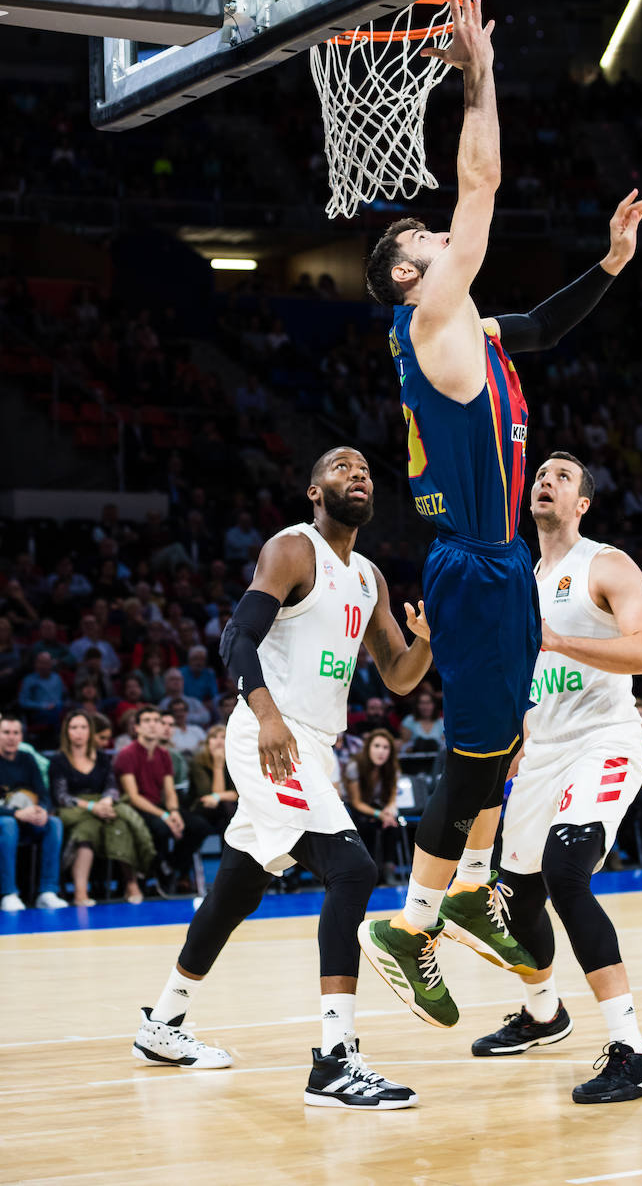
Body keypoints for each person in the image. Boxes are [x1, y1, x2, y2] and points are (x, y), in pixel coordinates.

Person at [360, 0, 642, 1025]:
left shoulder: (473, 333)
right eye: (425, 239)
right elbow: (478, 181)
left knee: (500, 739)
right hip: (479, 562)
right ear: (409, 277)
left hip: (486, 563)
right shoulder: (432, 317)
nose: (445, 235)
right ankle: (409, 920)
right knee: (484, 749)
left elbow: (536, 321)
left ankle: (477, 894)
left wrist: (611, 266)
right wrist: (478, 75)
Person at [133, 447, 431, 1109]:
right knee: (353, 872)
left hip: (313, 747)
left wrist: (427, 642)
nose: (358, 473)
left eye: (365, 469)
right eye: (341, 466)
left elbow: (400, 677)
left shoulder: (369, 578)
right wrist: (265, 715)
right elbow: (237, 638)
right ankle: (334, 1060)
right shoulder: (292, 550)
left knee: (238, 886)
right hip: (271, 735)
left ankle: (163, 1023)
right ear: (313, 491)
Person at [464, 453, 642, 1103]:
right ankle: (545, 1013)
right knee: (518, 893)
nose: (545, 481)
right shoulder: (520, 579)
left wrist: (557, 640)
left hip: (602, 742)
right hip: (543, 752)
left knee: (566, 872)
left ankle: (635, 1051)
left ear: (582, 503)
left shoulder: (606, 564)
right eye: (541, 474)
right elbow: (523, 681)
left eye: (563, 476)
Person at [49, 710, 151, 906]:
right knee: (85, 830)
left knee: (119, 824)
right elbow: (61, 796)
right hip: (74, 809)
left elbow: (111, 787)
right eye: (74, 728)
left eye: (83, 727)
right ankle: (80, 892)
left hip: (102, 805)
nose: (78, 732)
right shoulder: (58, 761)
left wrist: (105, 802)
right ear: (66, 732)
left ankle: (131, 884)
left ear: (90, 731)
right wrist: (92, 807)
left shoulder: (103, 758)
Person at [114, 704, 210, 888]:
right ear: (137, 727)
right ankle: (156, 872)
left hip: (159, 806)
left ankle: (170, 867)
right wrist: (164, 816)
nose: (152, 725)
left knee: (199, 826)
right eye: (147, 721)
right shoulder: (126, 754)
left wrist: (173, 812)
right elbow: (133, 796)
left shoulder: (164, 754)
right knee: (162, 828)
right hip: (135, 808)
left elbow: (169, 790)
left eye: (156, 721)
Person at [0, 715, 67, 911]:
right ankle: (8, 893)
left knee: (53, 823)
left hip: (27, 818)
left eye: (15, 733)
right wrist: (15, 814)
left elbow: (43, 793)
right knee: (8, 824)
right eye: (5, 733)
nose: (11, 737)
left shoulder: (28, 759)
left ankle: (47, 892)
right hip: (6, 821)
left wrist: (42, 811)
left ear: (22, 737)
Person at [345, 729, 401, 885]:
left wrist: (389, 814)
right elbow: (356, 802)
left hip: (379, 809)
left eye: (385, 747)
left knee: (393, 826)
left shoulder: (393, 769)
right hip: (358, 810)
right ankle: (369, 872)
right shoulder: (355, 766)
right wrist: (380, 814)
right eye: (377, 746)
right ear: (368, 747)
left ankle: (388, 871)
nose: (381, 751)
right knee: (365, 826)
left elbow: (392, 799)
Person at [188, 724, 237, 838]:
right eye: (214, 737)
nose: (219, 741)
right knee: (226, 809)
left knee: (227, 809)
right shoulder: (198, 762)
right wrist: (218, 766)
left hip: (225, 806)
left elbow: (239, 793)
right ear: (208, 742)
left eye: (223, 737)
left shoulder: (235, 761)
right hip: (201, 806)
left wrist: (218, 797)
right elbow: (207, 795)